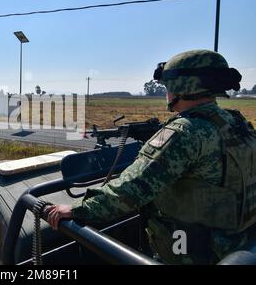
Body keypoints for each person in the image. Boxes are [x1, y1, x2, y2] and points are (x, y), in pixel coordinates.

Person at [46, 49, 256, 264]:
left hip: (192, 248)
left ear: (181, 87)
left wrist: (79, 209)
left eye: (167, 86)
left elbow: (133, 188)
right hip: (237, 242)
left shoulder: (185, 132)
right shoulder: (235, 122)